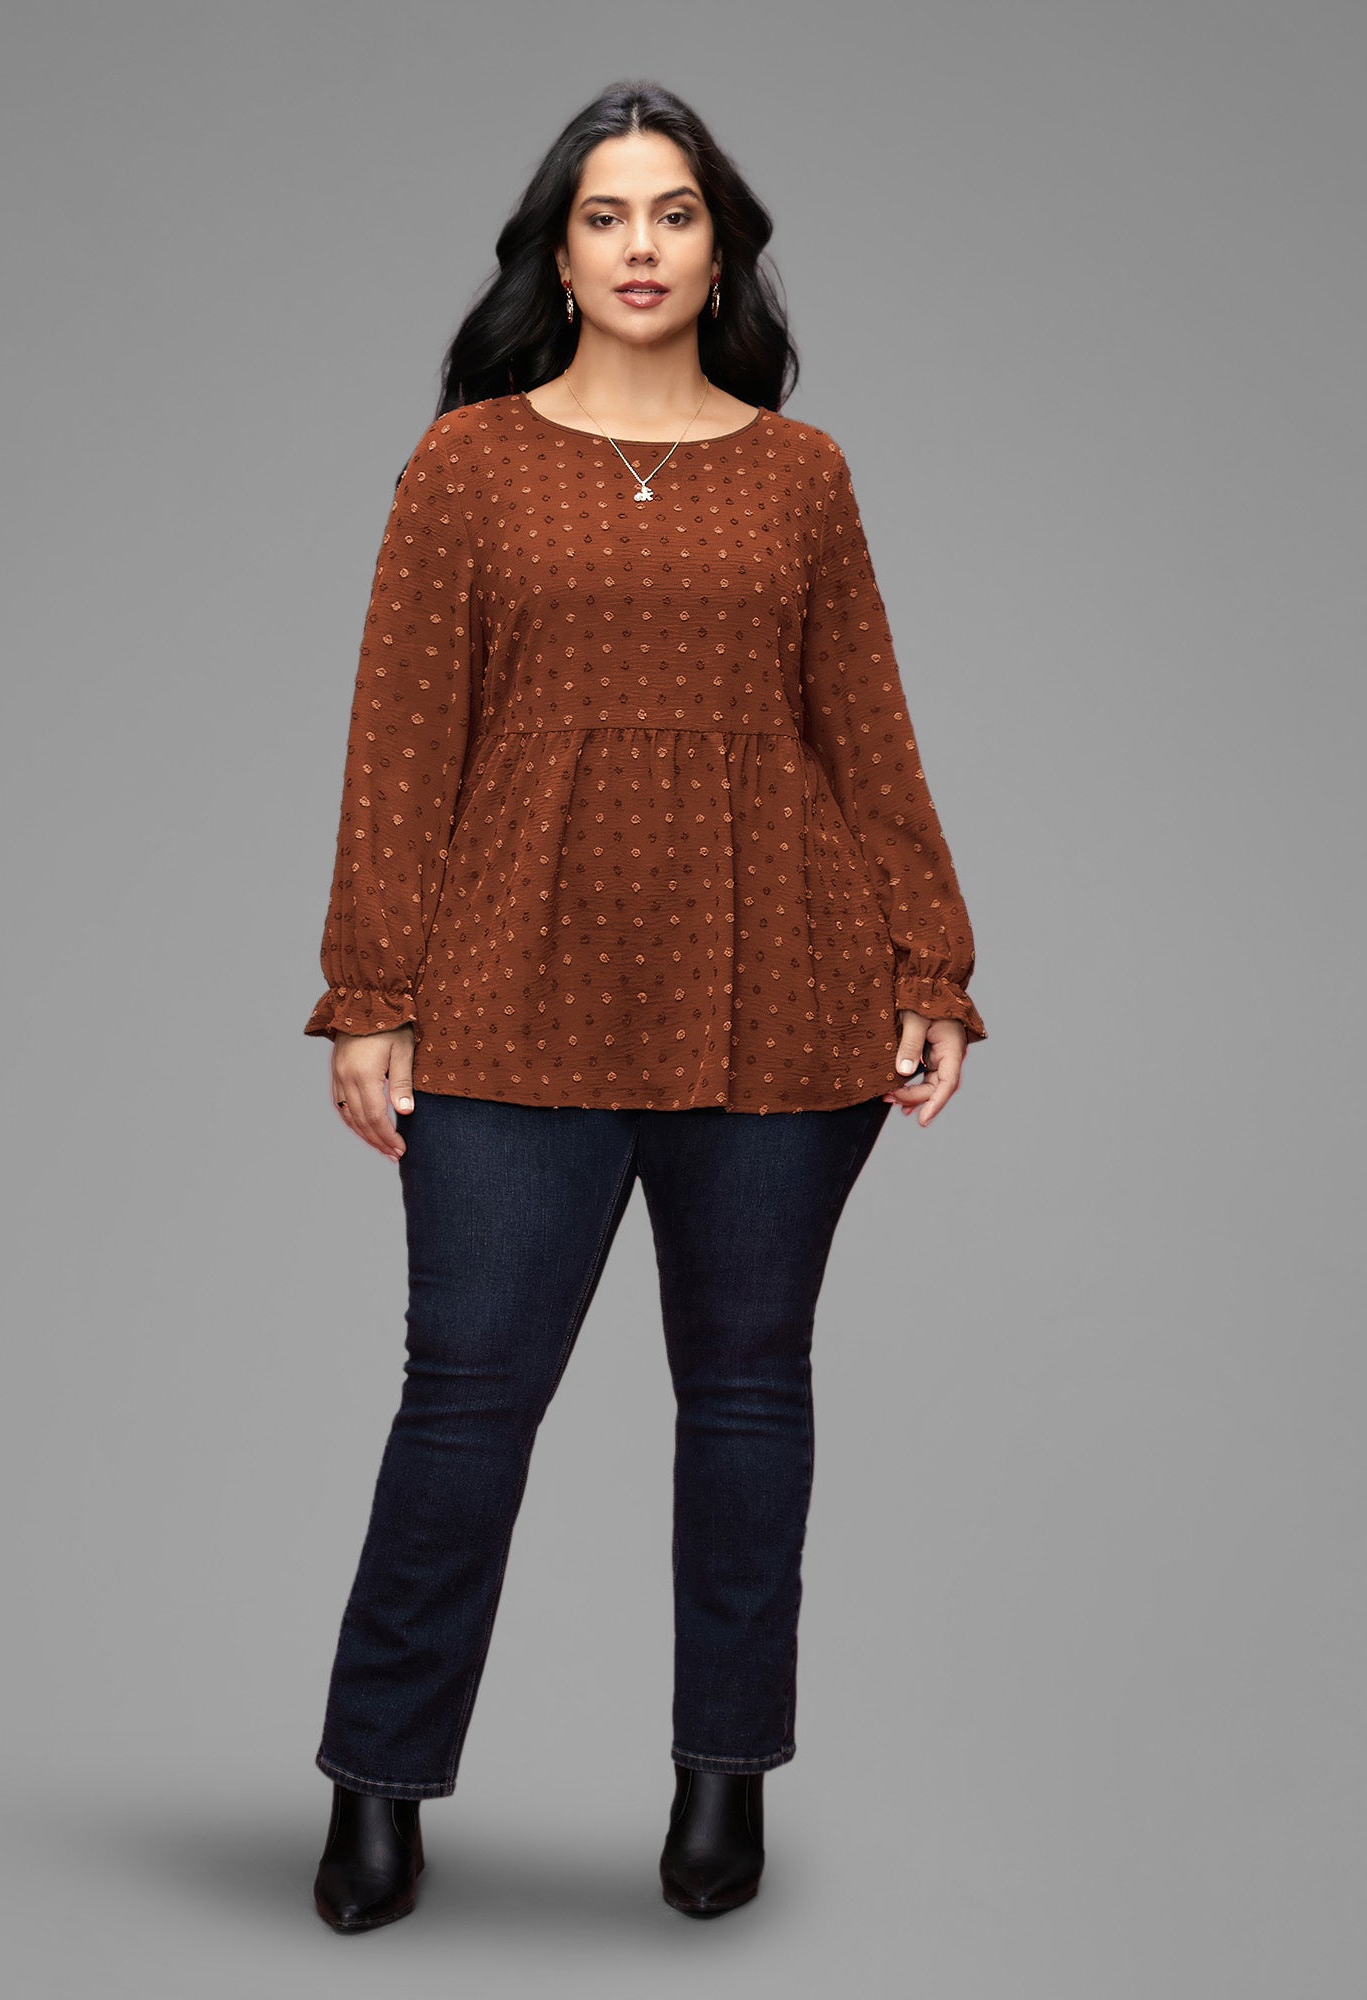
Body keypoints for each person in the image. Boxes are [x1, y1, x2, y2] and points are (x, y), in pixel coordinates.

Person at [304, 79, 987, 1932]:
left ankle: (721, 1778)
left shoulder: (802, 473)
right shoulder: (466, 468)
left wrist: (931, 962)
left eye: (674, 213)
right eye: (605, 215)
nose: (639, 246)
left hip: (781, 990)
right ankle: (378, 1782)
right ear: (556, 250)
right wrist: (371, 996)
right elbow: (399, 749)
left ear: (720, 249)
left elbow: (865, 729)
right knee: (467, 1399)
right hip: (511, 993)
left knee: (749, 1398)